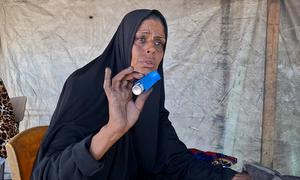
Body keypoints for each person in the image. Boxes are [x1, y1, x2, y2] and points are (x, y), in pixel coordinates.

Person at [31, 9, 250, 180]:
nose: (151, 49)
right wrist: (112, 130)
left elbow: (173, 159)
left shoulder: (147, 90)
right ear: (124, 41)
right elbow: (49, 174)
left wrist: (234, 177)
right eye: (141, 39)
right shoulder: (83, 85)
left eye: (159, 42)